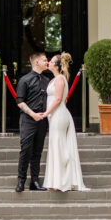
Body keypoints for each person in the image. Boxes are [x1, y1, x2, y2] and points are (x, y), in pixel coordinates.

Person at [42, 52, 89, 192]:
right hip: (55, 115)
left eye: (51, 62)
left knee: (59, 145)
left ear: (57, 66)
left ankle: (62, 180)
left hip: (59, 115)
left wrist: (46, 113)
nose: (48, 63)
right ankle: (56, 180)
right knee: (55, 145)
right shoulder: (54, 79)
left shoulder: (60, 79)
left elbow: (58, 99)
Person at [15, 51, 50, 192]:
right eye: (44, 60)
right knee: (26, 150)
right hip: (28, 120)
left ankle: (35, 181)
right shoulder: (24, 80)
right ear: (36, 62)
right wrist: (33, 114)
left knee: (37, 151)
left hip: (42, 120)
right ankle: (21, 181)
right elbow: (20, 102)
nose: (47, 62)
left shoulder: (47, 81)